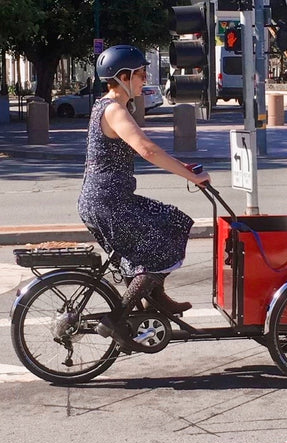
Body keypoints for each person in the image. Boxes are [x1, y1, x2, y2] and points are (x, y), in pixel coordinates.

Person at [77, 45, 210, 351]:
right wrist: (191, 176)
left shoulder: (106, 105)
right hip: (109, 203)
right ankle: (118, 319)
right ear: (123, 77)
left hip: (107, 200)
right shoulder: (114, 109)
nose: (144, 80)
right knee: (167, 235)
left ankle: (154, 296)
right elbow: (147, 149)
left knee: (168, 225)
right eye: (140, 74)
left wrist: (184, 167)